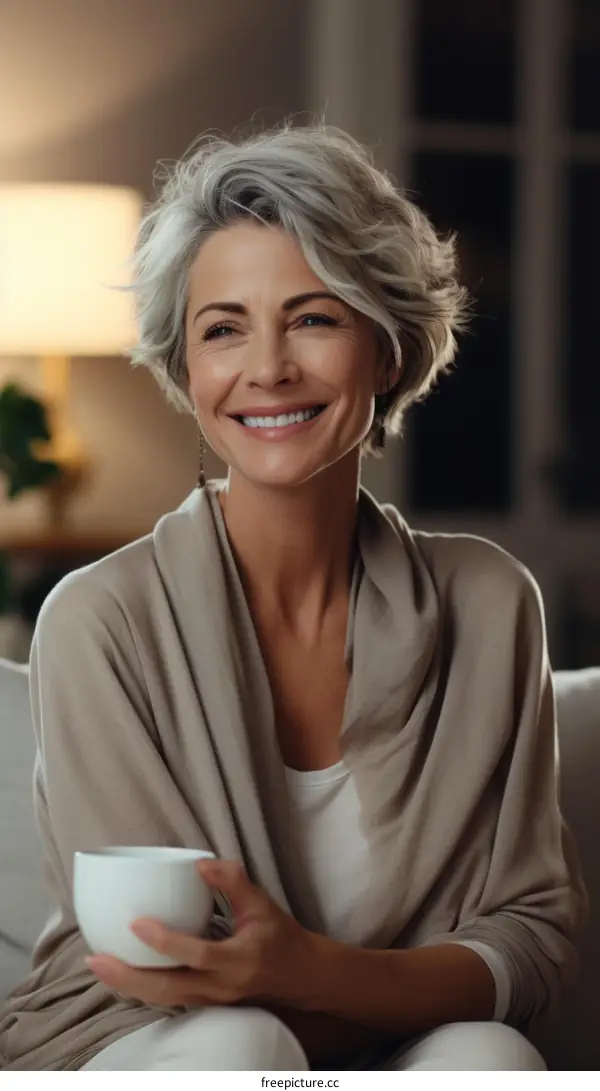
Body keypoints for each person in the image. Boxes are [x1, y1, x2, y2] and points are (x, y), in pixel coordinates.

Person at [0, 122, 586, 1072]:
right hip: (140, 1046)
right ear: (187, 373)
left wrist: (311, 969)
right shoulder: (99, 621)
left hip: (399, 1040)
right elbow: (161, 967)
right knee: (241, 1040)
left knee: (486, 1055)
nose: (266, 367)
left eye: (314, 317)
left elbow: (530, 938)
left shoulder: (489, 603)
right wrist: (355, 1003)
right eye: (222, 328)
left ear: (389, 350)